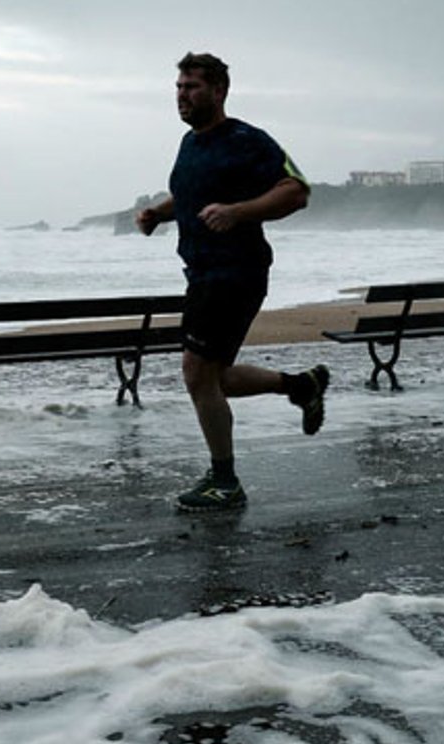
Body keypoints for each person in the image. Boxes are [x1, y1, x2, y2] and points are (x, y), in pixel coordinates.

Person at [135, 52, 329, 513]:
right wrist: (158, 215)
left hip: (236, 271)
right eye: (179, 87)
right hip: (202, 273)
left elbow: (296, 191)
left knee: (196, 372)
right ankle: (300, 386)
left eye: (192, 87)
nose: (182, 95)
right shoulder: (190, 143)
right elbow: (189, 194)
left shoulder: (246, 140)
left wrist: (237, 212)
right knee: (213, 376)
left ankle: (225, 482)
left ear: (219, 91)